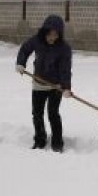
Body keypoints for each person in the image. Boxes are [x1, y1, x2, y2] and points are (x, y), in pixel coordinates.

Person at [15, 15, 73, 152]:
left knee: (53, 113)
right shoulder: (37, 40)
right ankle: (40, 140)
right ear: (44, 32)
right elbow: (24, 49)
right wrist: (20, 63)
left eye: (56, 35)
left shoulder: (64, 48)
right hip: (38, 83)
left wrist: (66, 87)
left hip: (56, 86)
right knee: (37, 113)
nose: (52, 37)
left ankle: (57, 143)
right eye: (50, 34)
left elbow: (65, 69)